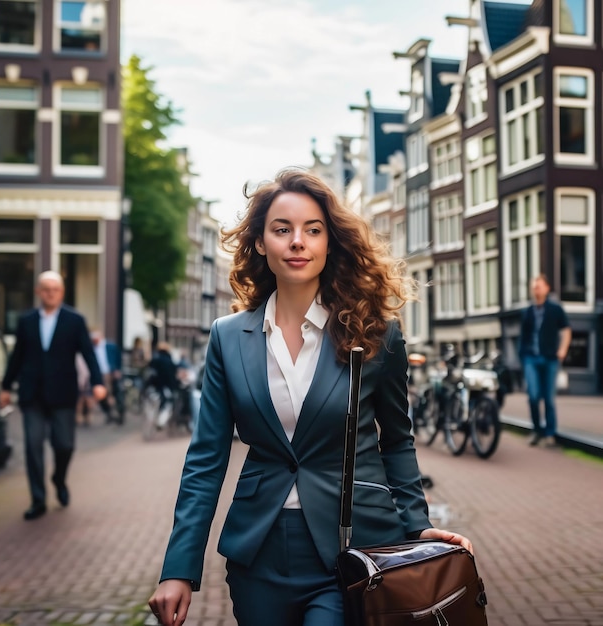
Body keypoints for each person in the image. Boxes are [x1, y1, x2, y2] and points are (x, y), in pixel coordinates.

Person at [148, 169, 473, 626]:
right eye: (282, 229)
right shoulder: (228, 338)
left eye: (312, 230)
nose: (297, 241)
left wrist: (417, 525)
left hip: (353, 547)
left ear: (328, 242)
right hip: (259, 553)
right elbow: (206, 458)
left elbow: (397, 440)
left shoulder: (377, 335)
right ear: (261, 243)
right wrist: (178, 569)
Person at [0, 271, 106, 520]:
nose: (50, 293)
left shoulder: (75, 320)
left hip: (63, 395)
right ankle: (38, 499)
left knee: (65, 445)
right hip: (32, 395)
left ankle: (59, 478)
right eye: (45, 288)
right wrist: (6, 387)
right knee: (33, 446)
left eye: (54, 289)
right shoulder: (26, 321)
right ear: (38, 292)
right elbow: (17, 358)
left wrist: (97, 382)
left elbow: (88, 354)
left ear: (62, 292)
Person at [519, 274, 572, 447]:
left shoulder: (555, 309)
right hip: (530, 358)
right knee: (533, 396)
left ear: (547, 288)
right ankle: (536, 430)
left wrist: (562, 349)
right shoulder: (527, 312)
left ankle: (550, 433)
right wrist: (523, 355)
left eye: (539, 286)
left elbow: (566, 330)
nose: (536, 289)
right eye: (534, 286)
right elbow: (523, 336)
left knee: (549, 398)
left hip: (550, 358)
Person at [91, 329, 123, 424]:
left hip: (108, 373)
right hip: (98, 373)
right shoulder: (92, 348)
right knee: (100, 396)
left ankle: (116, 412)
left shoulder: (110, 346)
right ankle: (109, 412)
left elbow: (118, 358)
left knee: (111, 393)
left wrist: (117, 369)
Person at [146, 342, 178, 429]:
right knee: (168, 403)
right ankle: (161, 422)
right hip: (164, 387)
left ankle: (151, 421)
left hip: (152, 386)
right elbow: (172, 376)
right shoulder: (169, 361)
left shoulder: (154, 359)